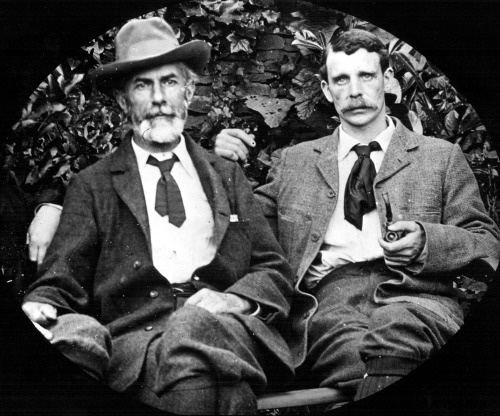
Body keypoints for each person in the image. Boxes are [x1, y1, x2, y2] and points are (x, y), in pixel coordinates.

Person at [21, 17, 296, 414]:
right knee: (224, 393)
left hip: (229, 328)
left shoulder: (226, 176)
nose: (158, 98)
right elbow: (61, 279)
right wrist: (41, 303)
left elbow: (273, 270)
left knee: (189, 332)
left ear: (187, 93)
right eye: (142, 85)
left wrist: (235, 301)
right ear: (122, 101)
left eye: (168, 82)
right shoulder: (93, 184)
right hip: (138, 340)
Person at [214, 29, 500, 401]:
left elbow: (486, 241)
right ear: (326, 89)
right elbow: (241, 235)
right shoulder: (296, 162)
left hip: (417, 296)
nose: (354, 90)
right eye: (341, 79)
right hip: (329, 301)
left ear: (387, 79)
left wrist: (427, 241)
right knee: (353, 357)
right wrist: (222, 169)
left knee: (397, 331)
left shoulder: (439, 157)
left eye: (366, 76)